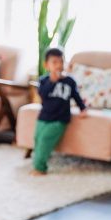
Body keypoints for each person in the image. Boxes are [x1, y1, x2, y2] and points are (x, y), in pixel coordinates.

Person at [32, 47, 88, 175]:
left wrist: (83, 108)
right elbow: (43, 94)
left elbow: (76, 96)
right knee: (38, 139)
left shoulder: (69, 81)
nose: (59, 65)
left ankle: (40, 168)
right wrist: (52, 81)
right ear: (46, 65)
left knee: (45, 139)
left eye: (61, 62)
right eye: (54, 62)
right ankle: (38, 160)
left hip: (59, 119)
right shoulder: (43, 80)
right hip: (44, 117)